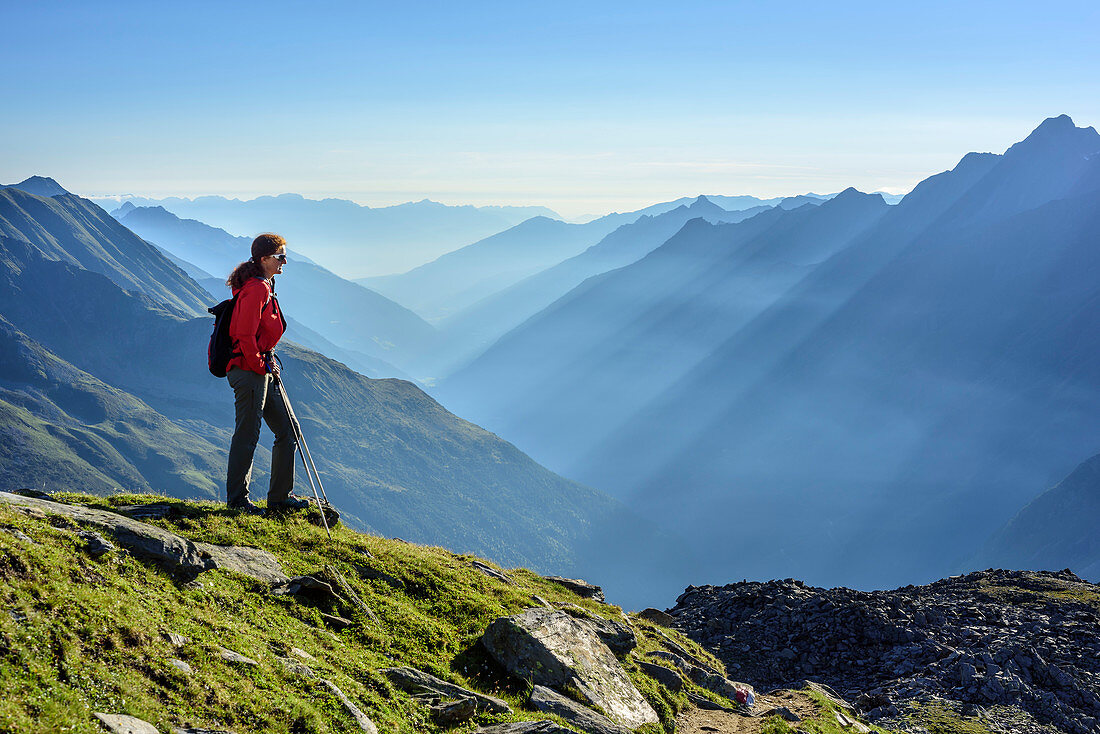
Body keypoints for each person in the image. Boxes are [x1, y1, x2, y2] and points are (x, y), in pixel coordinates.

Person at [223, 233, 309, 514]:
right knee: (247, 433)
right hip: (249, 371)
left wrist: (265, 364)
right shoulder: (257, 289)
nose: (285, 261)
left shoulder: (266, 285)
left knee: (289, 429)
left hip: (260, 368)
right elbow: (243, 334)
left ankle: (280, 498)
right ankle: (238, 501)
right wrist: (261, 365)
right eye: (280, 257)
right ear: (264, 259)